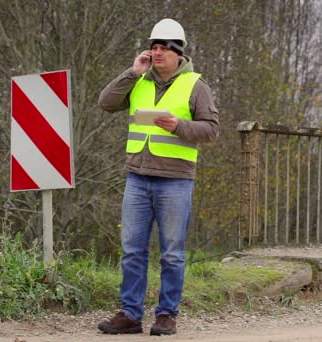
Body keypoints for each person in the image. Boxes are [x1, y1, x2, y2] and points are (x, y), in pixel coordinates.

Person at [96, 18, 220, 336]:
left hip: (176, 181)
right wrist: (132, 71)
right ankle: (130, 315)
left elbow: (212, 130)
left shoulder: (196, 86)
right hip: (137, 179)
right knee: (132, 251)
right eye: (154, 47)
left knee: (173, 254)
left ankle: (166, 315)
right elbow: (106, 103)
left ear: (179, 53)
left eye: (164, 47)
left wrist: (179, 126)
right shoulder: (139, 81)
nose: (158, 52)